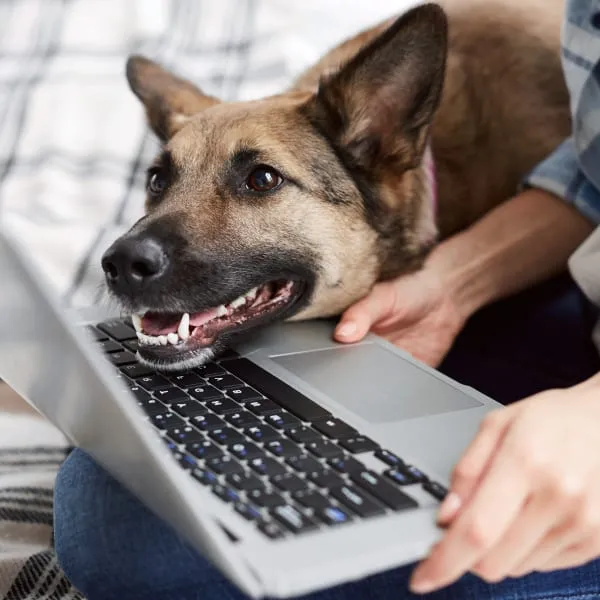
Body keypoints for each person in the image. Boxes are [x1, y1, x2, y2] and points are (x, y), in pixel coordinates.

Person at [54, 0, 600, 597]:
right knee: (110, 499)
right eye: (163, 179)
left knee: (137, 546)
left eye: (260, 180)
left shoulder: (522, 85)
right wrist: (451, 287)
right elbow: (588, 177)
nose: (134, 253)